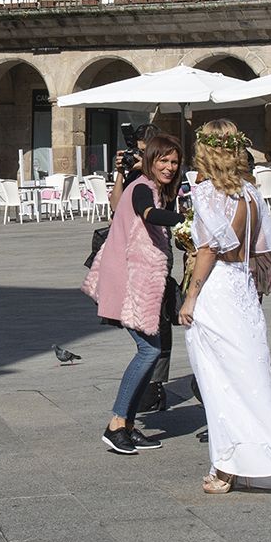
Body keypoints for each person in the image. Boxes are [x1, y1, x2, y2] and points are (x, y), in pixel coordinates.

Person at [177, 122, 271, 496]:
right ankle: (258, 459)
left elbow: (209, 250)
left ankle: (226, 466)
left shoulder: (207, 194)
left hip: (216, 289)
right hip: (242, 287)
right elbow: (265, 249)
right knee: (250, 376)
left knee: (218, 379)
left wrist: (191, 296)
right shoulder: (250, 193)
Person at [83, 133, 183, 455]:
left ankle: (126, 424)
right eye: (163, 161)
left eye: (174, 162)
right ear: (150, 161)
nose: (169, 167)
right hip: (129, 279)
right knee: (148, 351)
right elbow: (148, 215)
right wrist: (188, 220)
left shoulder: (151, 188)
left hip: (136, 279)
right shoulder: (141, 188)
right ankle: (116, 423)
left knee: (150, 350)